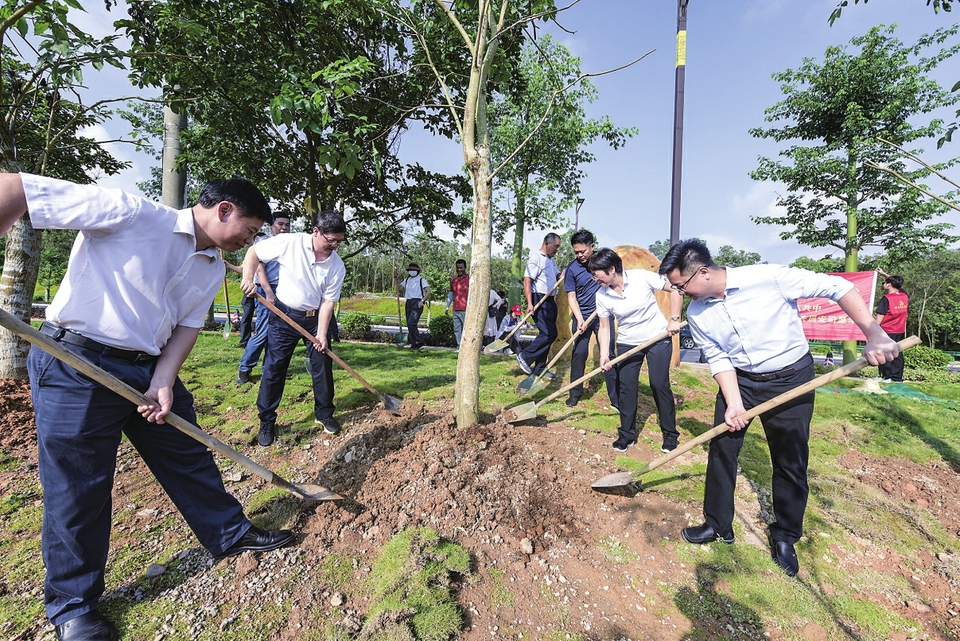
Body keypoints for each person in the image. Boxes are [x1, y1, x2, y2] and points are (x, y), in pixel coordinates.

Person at [0, 172, 293, 641]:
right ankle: (74, 608)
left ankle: (229, 534)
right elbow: (15, 189)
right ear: (223, 210)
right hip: (76, 365)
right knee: (78, 487)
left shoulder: (212, 268)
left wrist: (163, 380)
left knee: (188, 455)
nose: (251, 240)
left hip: (147, 369)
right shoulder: (131, 213)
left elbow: (187, 327)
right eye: (251, 229)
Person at [659, 239, 898, 578]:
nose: (681, 295)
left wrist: (873, 333)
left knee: (790, 459)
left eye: (682, 287)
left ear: (703, 273)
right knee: (722, 449)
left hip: (790, 378)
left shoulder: (768, 278)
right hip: (740, 380)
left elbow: (838, 287)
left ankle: (785, 535)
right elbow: (717, 355)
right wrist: (734, 402)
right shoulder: (698, 313)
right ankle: (718, 525)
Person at [242, 210, 346, 447]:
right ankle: (267, 420)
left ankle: (324, 413)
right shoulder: (290, 243)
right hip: (284, 317)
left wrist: (321, 334)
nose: (335, 246)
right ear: (316, 231)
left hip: (314, 318)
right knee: (274, 368)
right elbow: (254, 253)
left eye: (339, 241)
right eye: (331, 240)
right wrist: (248, 278)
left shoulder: (336, 266)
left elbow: (328, 301)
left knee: (322, 366)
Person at [588, 248, 682, 453]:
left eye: (597, 274)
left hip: (657, 338)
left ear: (611, 268)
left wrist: (674, 318)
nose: (595, 279)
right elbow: (604, 327)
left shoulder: (641, 277)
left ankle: (670, 435)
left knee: (659, 384)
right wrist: (604, 354)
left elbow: (676, 289)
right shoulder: (602, 295)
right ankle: (626, 435)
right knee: (627, 388)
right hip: (628, 343)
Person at [563, 230, 618, 410]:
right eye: (576, 252)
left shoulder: (602, 263)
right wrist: (579, 319)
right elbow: (571, 297)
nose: (580, 255)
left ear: (592, 246)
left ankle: (616, 398)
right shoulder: (572, 269)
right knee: (579, 354)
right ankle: (575, 393)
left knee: (608, 354)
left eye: (583, 251)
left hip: (603, 316)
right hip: (582, 316)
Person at [235, 214, 291, 384]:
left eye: (287, 225)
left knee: (277, 334)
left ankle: (269, 369)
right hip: (267, 289)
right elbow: (259, 269)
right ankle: (244, 369)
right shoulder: (265, 242)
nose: (284, 228)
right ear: (272, 225)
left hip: (283, 290)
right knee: (263, 332)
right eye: (280, 224)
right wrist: (269, 292)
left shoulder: (289, 244)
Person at [516, 233, 562, 376]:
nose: (557, 250)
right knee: (549, 333)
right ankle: (524, 356)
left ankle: (540, 368)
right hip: (539, 299)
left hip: (550, 299)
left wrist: (565, 273)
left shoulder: (550, 261)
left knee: (547, 334)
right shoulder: (536, 258)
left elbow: (557, 276)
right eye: (556, 246)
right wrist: (530, 303)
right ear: (547, 243)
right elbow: (527, 281)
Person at [874, 270, 909, 382]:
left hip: (887, 330)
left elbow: (880, 316)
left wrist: (873, 331)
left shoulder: (887, 298)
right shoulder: (904, 296)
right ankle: (897, 377)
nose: (883, 284)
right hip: (900, 330)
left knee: (885, 352)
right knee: (898, 353)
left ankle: (886, 376)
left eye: (884, 282)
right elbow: (898, 285)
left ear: (889, 284)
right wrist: (885, 274)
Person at [398, 261, 429, 350]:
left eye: (414, 270)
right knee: (409, 324)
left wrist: (422, 301)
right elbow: (399, 288)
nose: (412, 271)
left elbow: (428, 291)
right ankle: (414, 344)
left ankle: (418, 341)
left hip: (417, 302)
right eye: (410, 270)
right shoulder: (407, 280)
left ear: (417, 271)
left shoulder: (421, 279)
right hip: (409, 302)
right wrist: (396, 279)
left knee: (412, 323)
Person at [445, 259, 469, 347]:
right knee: (457, 329)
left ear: (465, 268)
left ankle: (467, 346)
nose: (459, 270)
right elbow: (451, 294)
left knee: (466, 329)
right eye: (457, 268)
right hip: (456, 309)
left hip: (466, 309)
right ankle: (459, 346)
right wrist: (447, 306)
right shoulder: (453, 280)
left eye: (461, 268)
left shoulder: (470, 279)